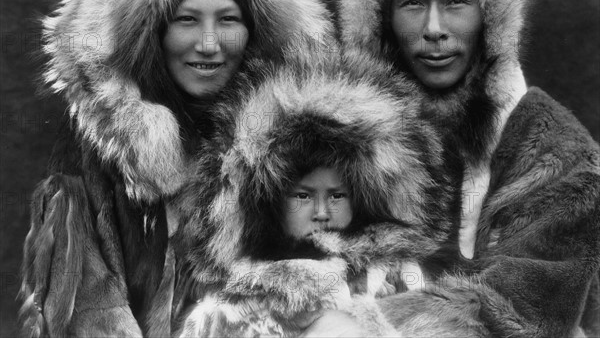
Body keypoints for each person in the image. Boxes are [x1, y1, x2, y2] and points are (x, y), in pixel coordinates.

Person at [19, 0, 333, 336]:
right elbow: (83, 312)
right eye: (187, 20)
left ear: (255, 31)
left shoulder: (297, 153)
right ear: (154, 33)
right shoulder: (96, 157)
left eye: (227, 19)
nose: (208, 44)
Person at [335, 0, 600, 337]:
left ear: (490, 16)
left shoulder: (561, 153)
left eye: (456, 1)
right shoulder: (341, 136)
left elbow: (521, 313)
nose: (434, 29)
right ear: (382, 17)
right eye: (413, 3)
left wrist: (353, 324)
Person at [171, 52, 465, 337]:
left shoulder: (396, 279)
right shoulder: (228, 309)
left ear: (363, 200)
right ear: (270, 205)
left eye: (337, 196)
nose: (322, 211)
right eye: (303, 197)